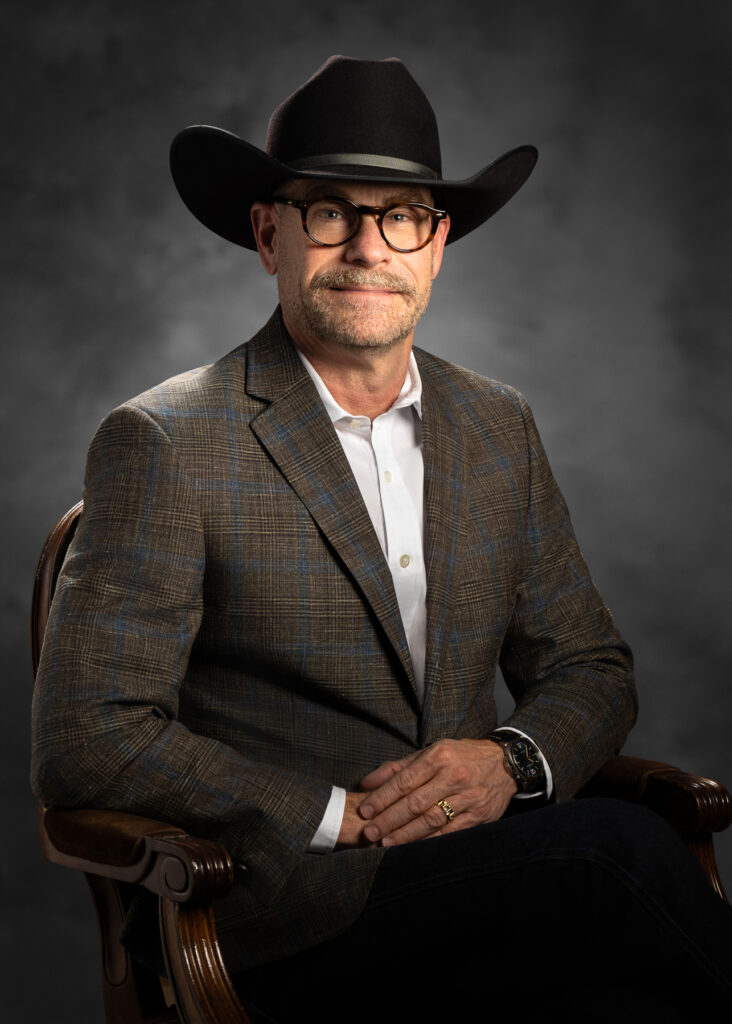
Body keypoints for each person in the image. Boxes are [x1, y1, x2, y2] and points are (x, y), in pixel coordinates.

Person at [31, 55, 731, 1021]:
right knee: (616, 856)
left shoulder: (497, 424)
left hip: (485, 879)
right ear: (269, 233)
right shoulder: (166, 440)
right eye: (330, 211)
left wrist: (514, 761)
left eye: (402, 215)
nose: (369, 246)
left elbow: (591, 666)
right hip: (287, 908)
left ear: (437, 244)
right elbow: (86, 736)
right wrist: (331, 816)